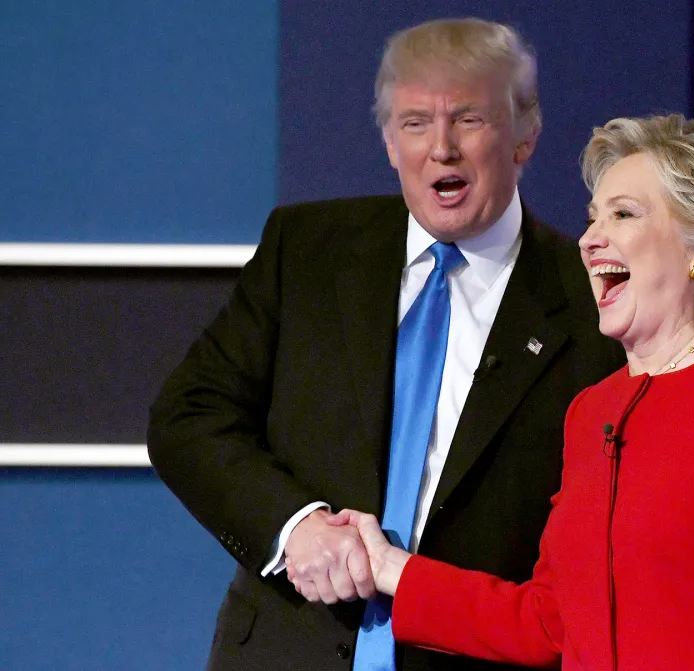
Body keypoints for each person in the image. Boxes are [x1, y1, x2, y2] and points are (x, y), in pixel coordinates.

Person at [147, 18, 624, 671]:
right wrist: (295, 526)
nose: (442, 148)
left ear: (525, 134)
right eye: (416, 123)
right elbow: (188, 416)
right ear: (389, 141)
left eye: (469, 120)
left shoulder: (592, 298)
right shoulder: (306, 250)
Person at [334, 114, 694, 670]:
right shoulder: (592, 412)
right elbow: (550, 622)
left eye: (624, 214)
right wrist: (391, 569)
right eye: (592, 219)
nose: (590, 240)